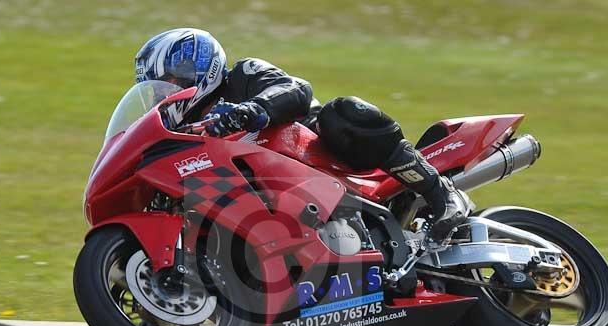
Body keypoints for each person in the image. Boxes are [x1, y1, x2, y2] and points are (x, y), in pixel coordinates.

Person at [134, 28, 469, 240]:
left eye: (172, 83)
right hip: (276, 204)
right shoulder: (188, 128)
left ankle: (442, 195)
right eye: (158, 89)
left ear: (199, 69)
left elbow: (296, 90)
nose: (165, 94)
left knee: (344, 112)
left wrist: (250, 110)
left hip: (322, 157)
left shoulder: (244, 75)